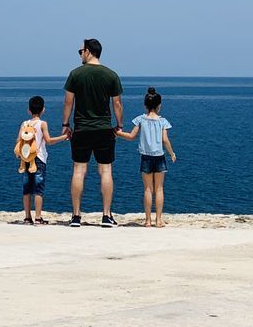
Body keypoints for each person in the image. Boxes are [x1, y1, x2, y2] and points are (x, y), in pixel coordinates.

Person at [61, 38, 124, 227]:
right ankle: (106, 215)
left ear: (88, 51)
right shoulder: (111, 75)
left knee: (79, 170)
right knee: (105, 170)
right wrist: (119, 125)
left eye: (81, 51)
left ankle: (76, 216)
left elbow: (68, 102)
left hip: (81, 128)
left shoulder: (75, 74)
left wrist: (65, 124)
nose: (80, 54)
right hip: (104, 129)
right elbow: (117, 103)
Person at [116, 86, 176, 227]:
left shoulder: (140, 120)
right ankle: (159, 220)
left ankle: (148, 221)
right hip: (159, 156)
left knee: (148, 189)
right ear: (159, 105)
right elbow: (165, 140)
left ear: (145, 105)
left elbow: (131, 136)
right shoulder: (163, 121)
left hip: (145, 157)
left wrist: (117, 133)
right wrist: (172, 154)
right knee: (159, 189)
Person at [16, 95, 64, 225]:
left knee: (26, 189)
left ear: (29, 110)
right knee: (38, 189)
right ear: (43, 110)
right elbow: (48, 141)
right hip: (39, 159)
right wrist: (64, 137)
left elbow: (18, 141)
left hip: (26, 159)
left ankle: (27, 217)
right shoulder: (42, 124)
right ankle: (38, 217)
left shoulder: (24, 124)